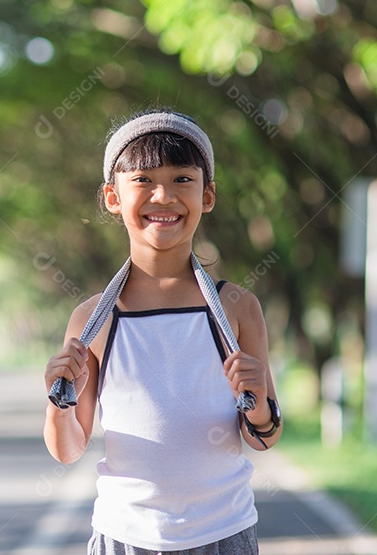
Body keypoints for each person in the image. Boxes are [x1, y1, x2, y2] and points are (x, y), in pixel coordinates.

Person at [43, 109, 281, 555]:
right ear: (113, 197)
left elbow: (262, 435)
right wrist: (60, 402)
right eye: (143, 180)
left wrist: (260, 403)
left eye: (182, 180)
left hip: (224, 532)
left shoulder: (236, 309)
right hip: (124, 536)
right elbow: (68, 449)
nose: (163, 196)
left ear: (207, 196)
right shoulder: (93, 318)